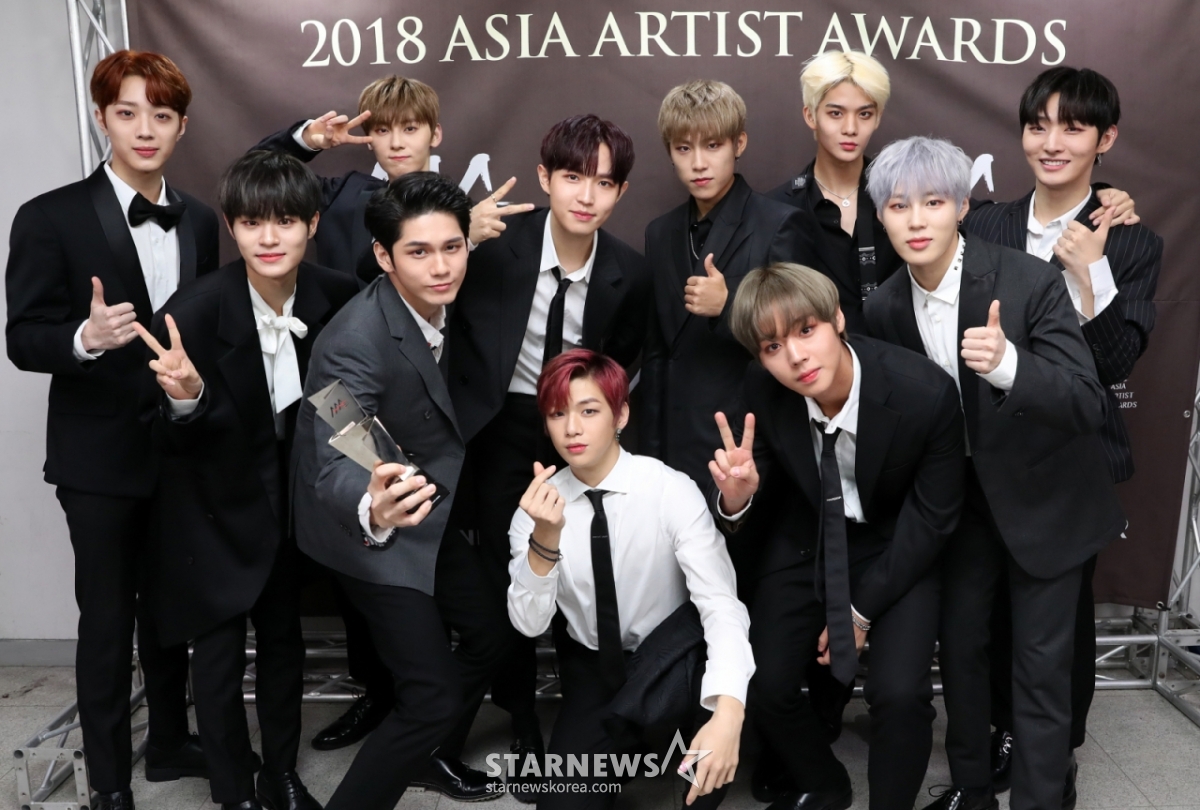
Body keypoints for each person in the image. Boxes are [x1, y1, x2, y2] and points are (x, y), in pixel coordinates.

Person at [861, 136, 1125, 810]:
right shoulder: (884, 308)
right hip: (960, 504)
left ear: (961, 207)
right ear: (881, 216)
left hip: (1048, 498)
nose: (916, 220)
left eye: (933, 202)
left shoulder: (1027, 280)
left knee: (1038, 671)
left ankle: (1041, 797)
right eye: (898, 206)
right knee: (964, 658)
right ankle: (973, 793)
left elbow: (1087, 401)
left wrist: (1011, 366)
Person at [5, 49, 217, 810]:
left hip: (180, 448)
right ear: (103, 118)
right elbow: (22, 338)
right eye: (127, 112)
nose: (145, 129)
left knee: (171, 610)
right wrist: (85, 338)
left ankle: (170, 743)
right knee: (106, 622)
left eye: (161, 115)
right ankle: (109, 782)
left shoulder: (201, 220)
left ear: (182, 126)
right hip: (97, 459)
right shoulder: (48, 216)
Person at [962, 67, 1163, 804]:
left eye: (1073, 128)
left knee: (1059, 627)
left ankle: (1056, 753)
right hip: (985, 454)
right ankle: (1001, 738)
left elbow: (1113, 365)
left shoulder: (1133, 242)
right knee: (985, 616)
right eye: (1038, 125)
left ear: (1105, 139)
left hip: (1070, 460)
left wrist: (1093, 275)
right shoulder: (983, 225)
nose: (1052, 142)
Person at [133, 151, 357, 810]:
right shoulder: (192, 312)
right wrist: (187, 398)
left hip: (286, 506)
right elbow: (154, 438)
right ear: (231, 227)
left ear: (312, 224)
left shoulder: (337, 295)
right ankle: (233, 789)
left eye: (285, 221)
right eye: (252, 222)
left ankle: (279, 774)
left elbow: (346, 402)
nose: (268, 237)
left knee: (284, 642)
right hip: (208, 511)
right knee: (219, 657)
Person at [446, 113, 652, 798]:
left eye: (604, 183)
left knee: (574, 568)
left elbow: (626, 357)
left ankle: (571, 712)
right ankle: (521, 716)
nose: (586, 196)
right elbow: (387, 269)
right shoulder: (494, 247)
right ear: (544, 178)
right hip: (498, 427)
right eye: (572, 177)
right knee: (508, 577)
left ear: (621, 192)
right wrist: (460, 234)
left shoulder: (628, 272)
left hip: (576, 429)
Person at [711, 263, 964, 810]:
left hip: (897, 543)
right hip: (809, 533)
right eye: (773, 346)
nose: (796, 357)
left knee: (899, 693)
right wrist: (737, 498)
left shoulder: (924, 393)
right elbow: (753, 481)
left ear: (838, 319)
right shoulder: (762, 386)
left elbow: (933, 519)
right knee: (762, 679)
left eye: (806, 331)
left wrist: (860, 612)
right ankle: (822, 781)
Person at [294, 172, 508, 809]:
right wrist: (374, 505)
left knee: (492, 635)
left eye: (453, 247)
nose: (441, 267)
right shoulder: (350, 342)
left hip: (427, 504)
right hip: (369, 528)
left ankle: (427, 755)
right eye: (419, 251)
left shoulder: (447, 299)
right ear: (384, 257)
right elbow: (335, 454)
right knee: (430, 697)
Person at [507, 349, 754, 809]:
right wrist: (545, 539)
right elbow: (528, 623)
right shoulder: (536, 510)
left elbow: (721, 603)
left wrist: (728, 711)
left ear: (620, 415)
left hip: (671, 662)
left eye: (589, 411)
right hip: (593, 670)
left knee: (702, 784)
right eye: (557, 414)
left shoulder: (668, 489)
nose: (572, 428)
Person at [641, 79, 817, 489]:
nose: (698, 163)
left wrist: (730, 303)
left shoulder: (780, 224)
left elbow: (802, 335)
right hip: (671, 444)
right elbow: (657, 354)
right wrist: (649, 455)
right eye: (683, 149)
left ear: (739, 143)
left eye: (713, 145)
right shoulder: (660, 232)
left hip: (745, 439)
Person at [251, 74, 532, 284]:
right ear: (369, 139)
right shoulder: (342, 197)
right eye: (383, 131)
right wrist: (308, 140)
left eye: (410, 129)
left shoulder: (467, 220)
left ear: (435, 135)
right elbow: (255, 172)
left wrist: (462, 240)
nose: (396, 143)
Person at [765, 50, 901, 335]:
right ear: (810, 115)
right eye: (836, 113)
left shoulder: (903, 197)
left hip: (899, 357)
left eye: (864, 114)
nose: (850, 128)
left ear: (878, 118)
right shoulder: (776, 210)